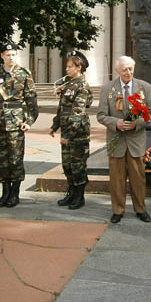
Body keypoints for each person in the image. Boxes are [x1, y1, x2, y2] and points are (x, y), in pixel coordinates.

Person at [97, 56, 151, 223]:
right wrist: (116, 123)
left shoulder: (145, 87)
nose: (128, 72)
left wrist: (136, 124)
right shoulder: (108, 88)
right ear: (117, 70)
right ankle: (118, 210)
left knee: (138, 178)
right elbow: (101, 115)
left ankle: (140, 209)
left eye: (130, 69)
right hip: (116, 141)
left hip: (136, 141)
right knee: (116, 179)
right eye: (124, 69)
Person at [0, 44, 39, 208]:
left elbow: (32, 102)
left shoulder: (24, 74)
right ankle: (5, 191)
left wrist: (28, 122)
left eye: (13, 54)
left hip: (16, 122)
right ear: (2, 56)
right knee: (1, 159)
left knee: (15, 159)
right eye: (8, 55)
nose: (11, 58)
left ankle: (15, 192)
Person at [50, 51, 93, 210]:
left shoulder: (82, 86)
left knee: (77, 165)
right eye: (67, 66)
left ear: (79, 67)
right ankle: (71, 192)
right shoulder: (69, 84)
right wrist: (55, 125)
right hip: (67, 132)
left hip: (78, 133)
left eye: (70, 67)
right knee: (67, 165)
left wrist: (68, 135)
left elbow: (77, 113)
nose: (67, 69)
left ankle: (79, 196)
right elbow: (62, 109)